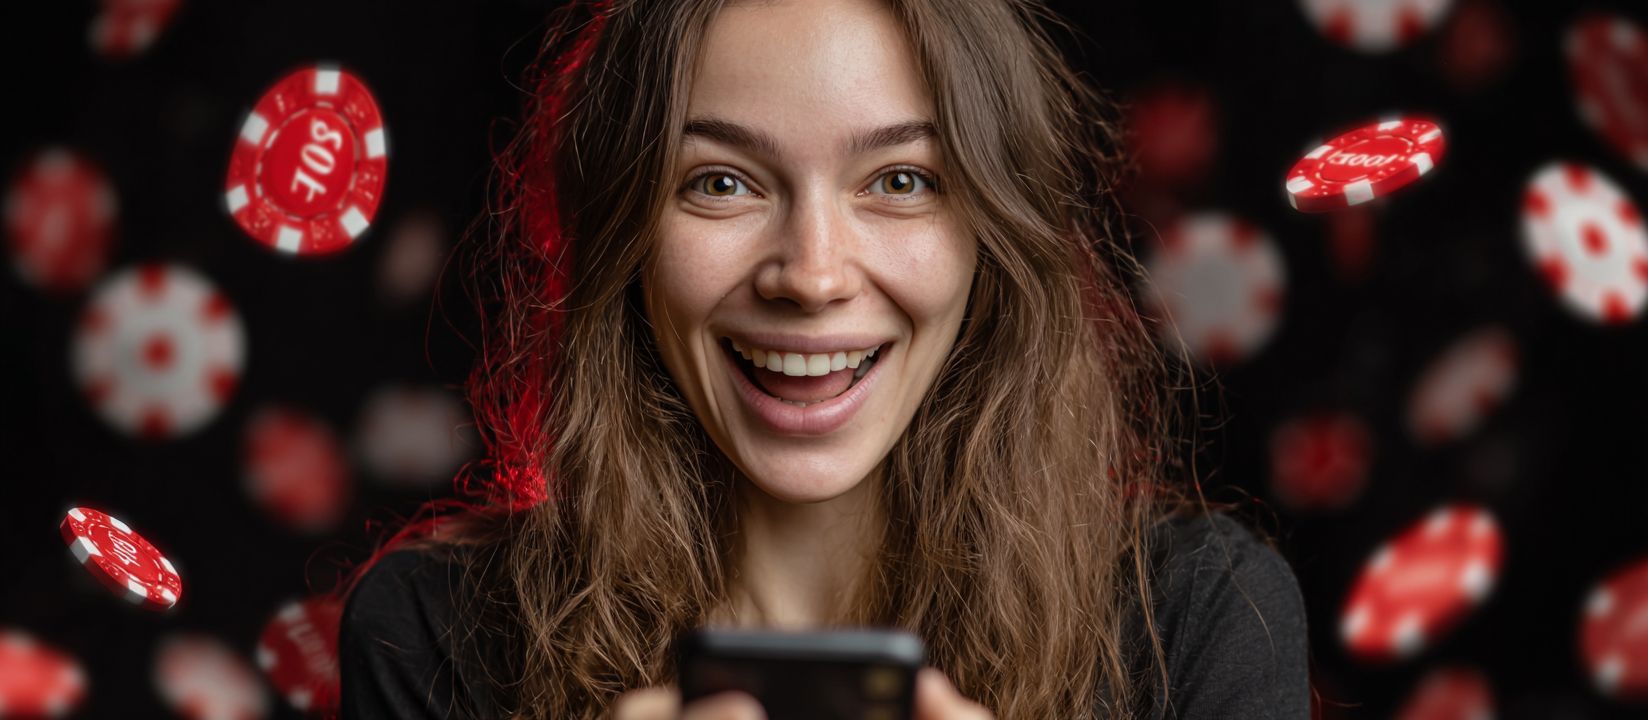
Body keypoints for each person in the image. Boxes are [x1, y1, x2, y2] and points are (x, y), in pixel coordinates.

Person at [339, 0, 1310, 718]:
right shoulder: (432, 635)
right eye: (721, 182)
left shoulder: (1195, 619)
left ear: (994, 232)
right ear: (624, 236)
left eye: (900, 180)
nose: (810, 276)